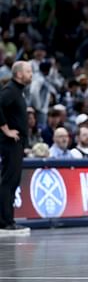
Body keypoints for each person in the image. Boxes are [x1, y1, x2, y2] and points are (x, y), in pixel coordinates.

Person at [0, 61, 32, 234]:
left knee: (12, 182)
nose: (31, 74)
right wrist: (6, 130)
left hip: (17, 144)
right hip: (11, 143)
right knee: (8, 181)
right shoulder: (10, 90)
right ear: (19, 74)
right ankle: (4, 222)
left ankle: (8, 220)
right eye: (28, 71)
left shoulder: (18, 91)